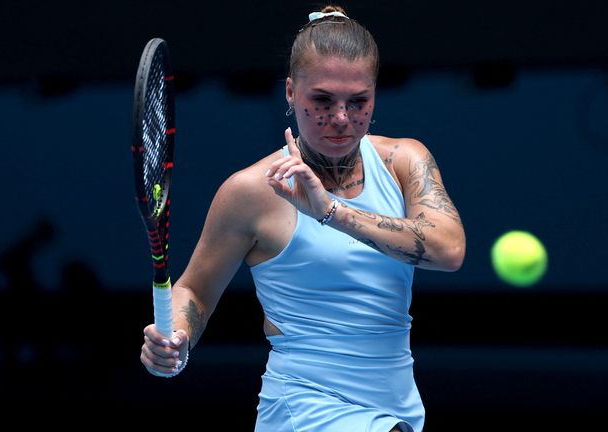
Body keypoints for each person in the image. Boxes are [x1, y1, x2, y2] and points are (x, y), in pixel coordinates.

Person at [140, 5, 465, 431]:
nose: (342, 118)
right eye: (323, 100)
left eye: (359, 101)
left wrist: (330, 212)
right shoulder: (249, 191)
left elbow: (448, 249)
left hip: (400, 405)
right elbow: (196, 290)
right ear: (291, 92)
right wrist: (176, 338)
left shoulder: (405, 160)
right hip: (305, 406)